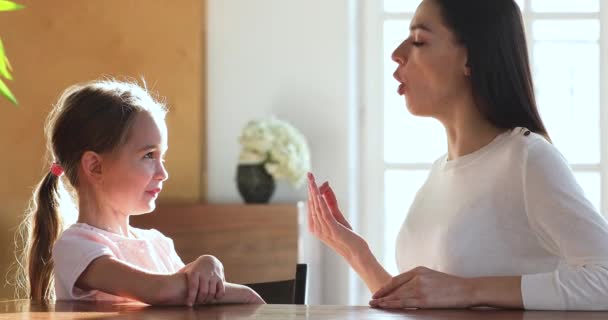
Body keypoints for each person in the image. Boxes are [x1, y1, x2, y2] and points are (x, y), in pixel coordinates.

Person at [307, 0, 608, 311]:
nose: (396, 53)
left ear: (471, 58)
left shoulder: (526, 159)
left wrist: (469, 290)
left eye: (419, 40)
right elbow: (425, 304)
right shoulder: (439, 172)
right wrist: (356, 252)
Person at [17, 80, 264, 306]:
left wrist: (207, 264)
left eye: (162, 156)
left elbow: (193, 296)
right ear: (95, 166)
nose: (163, 173)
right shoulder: (75, 246)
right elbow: (161, 291)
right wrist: (244, 294)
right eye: (148, 156)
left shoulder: (158, 244)